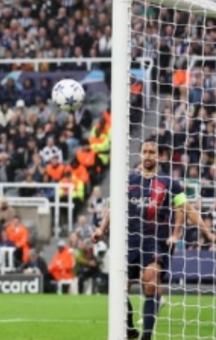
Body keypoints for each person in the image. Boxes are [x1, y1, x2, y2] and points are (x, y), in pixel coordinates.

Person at [93, 141, 216, 340]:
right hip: (129, 241)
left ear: (159, 156)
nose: (149, 155)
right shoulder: (128, 181)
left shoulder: (168, 183)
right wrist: (101, 228)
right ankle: (130, 324)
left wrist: (208, 233)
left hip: (155, 241)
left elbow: (187, 209)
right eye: (145, 152)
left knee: (150, 282)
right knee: (119, 288)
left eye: (153, 152)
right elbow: (113, 206)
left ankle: (146, 336)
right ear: (140, 155)